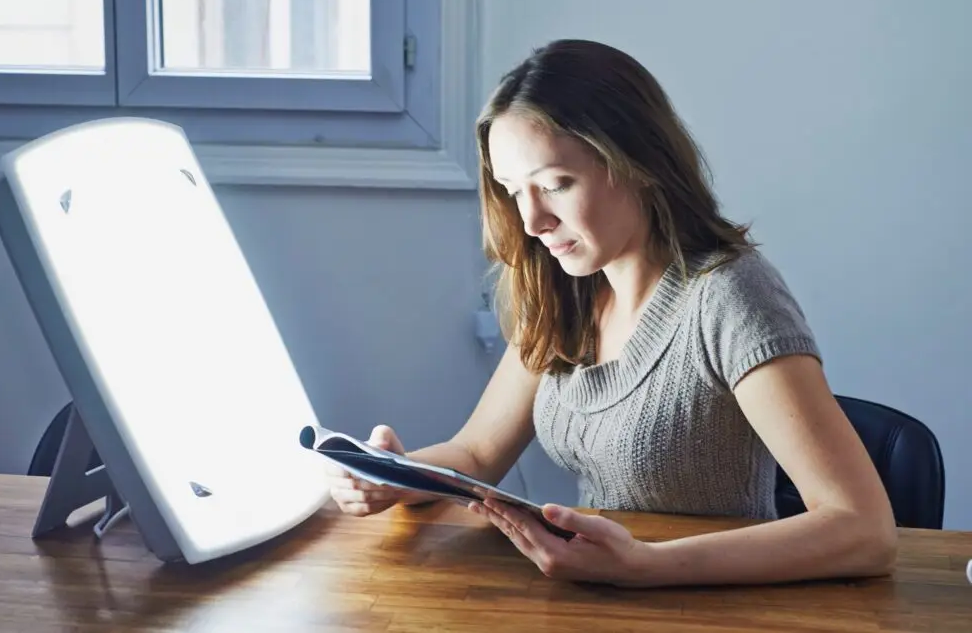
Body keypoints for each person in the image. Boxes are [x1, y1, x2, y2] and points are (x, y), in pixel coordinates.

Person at [325, 38, 898, 588]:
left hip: (717, 605)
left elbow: (865, 530)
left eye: (555, 185)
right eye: (512, 191)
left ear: (637, 163)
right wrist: (393, 477)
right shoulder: (563, 292)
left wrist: (644, 566)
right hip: (606, 595)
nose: (532, 222)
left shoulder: (730, 295)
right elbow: (477, 453)